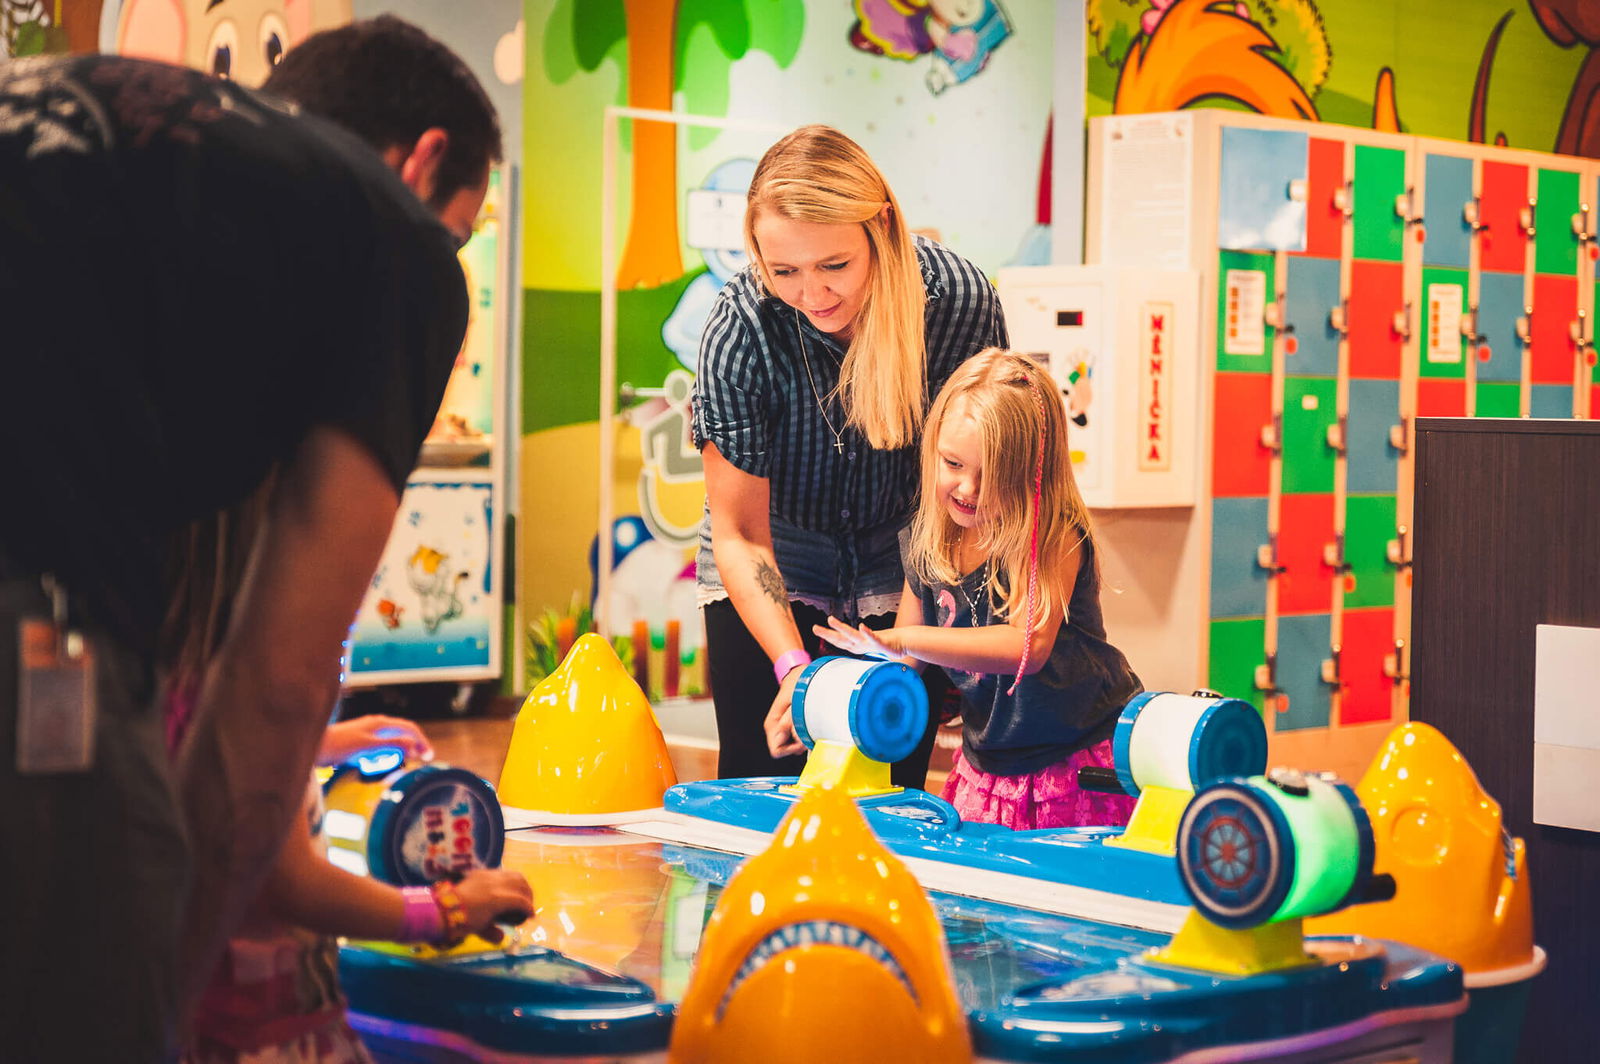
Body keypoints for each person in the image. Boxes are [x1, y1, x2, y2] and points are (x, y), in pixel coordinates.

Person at [0, 18, 500, 1061]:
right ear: (423, 161)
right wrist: (165, 1008)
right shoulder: (388, 234)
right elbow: (276, 683)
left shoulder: (132, 129)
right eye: (458, 233)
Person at [692, 124, 1007, 786]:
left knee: (887, 787)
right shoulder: (741, 327)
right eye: (785, 271)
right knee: (760, 782)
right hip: (775, 557)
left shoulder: (958, 305)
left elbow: (969, 496)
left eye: (834, 265)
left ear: (881, 228)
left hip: (908, 558)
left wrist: (928, 642)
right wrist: (791, 667)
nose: (813, 295)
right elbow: (740, 534)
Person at [797, 349, 1142, 830]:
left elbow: (1025, 647)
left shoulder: (1052, 535)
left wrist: (903, 641)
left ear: (1034, 471)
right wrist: (830, 701)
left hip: (1075, 761)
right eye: (954, 463)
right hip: (988, 765)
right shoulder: (928, 539)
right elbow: (903, 664)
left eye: (993, 474)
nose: (968, 489)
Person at [179, 716, 532, 1064]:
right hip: (260, 1027)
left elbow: (228, 748)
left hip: (225, 1006)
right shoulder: (265, 687)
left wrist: (310, 745)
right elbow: (290, 883)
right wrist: (445, 910)